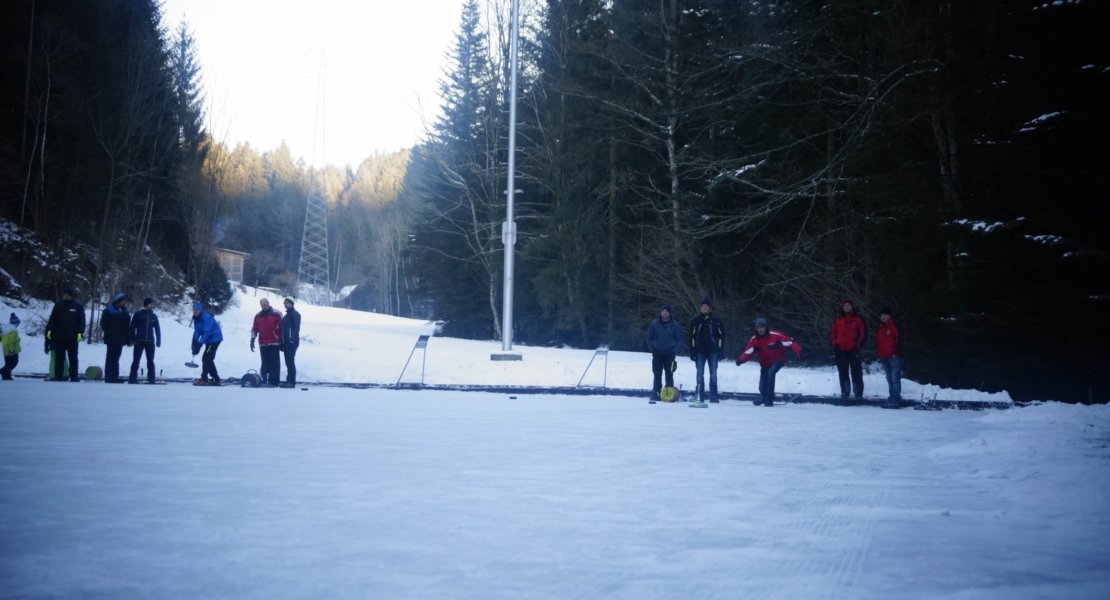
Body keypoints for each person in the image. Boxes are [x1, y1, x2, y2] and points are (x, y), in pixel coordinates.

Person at [736, 317, 803, 406]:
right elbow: (748, 351)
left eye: (762, 327)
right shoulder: (754, 339)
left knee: (771, 373)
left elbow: (790, 342)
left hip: (778, 360)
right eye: (758, 328)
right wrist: (741, 360)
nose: (760, 329)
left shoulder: (775, 335)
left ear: (766, 327)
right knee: (761, 387)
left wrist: (799, 352)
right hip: (765, 363)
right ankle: (764, 398)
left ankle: (769, 401)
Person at [689, 297, 725, 402]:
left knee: (713, 374)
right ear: (700, 307)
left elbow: (721, 336)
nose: (704, 307)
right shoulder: (695, 321)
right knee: (699, 374)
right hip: (699, 351)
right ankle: (700, 395)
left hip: (713, 351)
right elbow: (692, 337)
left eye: (706, 306)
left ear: (709, 308)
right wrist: (692, 351)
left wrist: (721, 350)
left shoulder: (716, 321)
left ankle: (714, 396)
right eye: (703, 305)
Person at [830, 297, 866, 401]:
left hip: (853, 348)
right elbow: (833, 333)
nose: (846, 307)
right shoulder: (838, 318)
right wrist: (834, 345)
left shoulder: (858, 318)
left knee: (856, 371)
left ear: (852, 307)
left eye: (848, 305)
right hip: (840, 349)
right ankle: (845, 392)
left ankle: (858, 393)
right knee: (843, 371)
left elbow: (863, 333)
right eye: (844, 306)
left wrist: (858, 345)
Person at [46, 288, 85, 382]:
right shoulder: (58, 306)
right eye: (64, 295)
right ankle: (58, 376)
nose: (65, 297)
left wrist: (80, 333)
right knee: (59, 358)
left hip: (72, 337)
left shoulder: (77, 306)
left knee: (73, 358)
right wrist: (49, 330)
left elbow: (81, 321)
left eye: (67, 295)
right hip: (59, 337)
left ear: (71, 296)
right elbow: (52, 319)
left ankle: (74, 377)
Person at [646, 303, 684, 400]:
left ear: (670, 313)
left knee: (669, 374)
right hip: (657, 353)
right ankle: (656, 393)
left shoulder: (675, 325)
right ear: (660, 313)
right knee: (657, 374)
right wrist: (652, 349)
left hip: (670, 354)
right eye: (663, 311)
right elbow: (649, 337)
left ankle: (668, 394)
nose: (665, 313)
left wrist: (675, 350)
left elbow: (680, 339)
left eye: (666, 311)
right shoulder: (654, 323)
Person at [876, 307, 906, 408]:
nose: (883, 316)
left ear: (889, 316)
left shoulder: (895, 325)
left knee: (895, 378)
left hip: (894, 357)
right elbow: (879, 342)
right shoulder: (880, 327)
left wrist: (896, 352)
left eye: (885, 314)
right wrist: (880, 353)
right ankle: (892, 396)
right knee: (889, 378)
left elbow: (901, 339)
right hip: (884, 356)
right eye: (881, 314)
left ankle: (896, 398)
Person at [250, 297, 283, 387]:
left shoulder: (277, 313)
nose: (263, 306)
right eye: (262, 305)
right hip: (263, 343)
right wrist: (252, 340)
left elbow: (282, 327)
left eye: (265, 304)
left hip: (274, 342)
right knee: (265, 362)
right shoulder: (258, 316)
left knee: (274, 363)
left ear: (268, 303)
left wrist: (281, 339)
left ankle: (274, 381)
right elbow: (254, 329)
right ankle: (264, 379)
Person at [128, 297, 162, 384]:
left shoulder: (154, 316)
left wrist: (158, 340)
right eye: (151, 304)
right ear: (146, 305)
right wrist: (133, 338)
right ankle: (132, 379)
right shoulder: (138, 314)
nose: (153, 306)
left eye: (153, 304)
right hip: (139, 341)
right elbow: (132, 327)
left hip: (150, 342)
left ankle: (151, 379)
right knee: (136, 360)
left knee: (150, 361)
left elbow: (157, 329)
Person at [100, 292, 131, 383]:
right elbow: (103, 324)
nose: (125, 302)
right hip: (111, 338)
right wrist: (110, 333)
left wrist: (128, 338)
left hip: (120, 339)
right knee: (110, 357)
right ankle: (108, 376)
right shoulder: (109, 310)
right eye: (123, 300)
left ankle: (115, 376)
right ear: (118, 301)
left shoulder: (125, 311)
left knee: (116, 358)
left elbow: (127, 326)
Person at [191, 301, 223, 386]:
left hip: (214, 340)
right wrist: (195, 343)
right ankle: (216, 378)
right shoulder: (196, 318)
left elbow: (207, 332)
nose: (195, 311)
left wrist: (200, 343)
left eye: (197, 309)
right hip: (208, 341)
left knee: (206, 358)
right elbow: (197, 331)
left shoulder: (207, 317)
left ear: (201, 310)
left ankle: (204, 379)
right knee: (208, 358)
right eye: (194, 309)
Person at [280, 295, 301, 388]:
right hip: (286, 342)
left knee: (290, 362)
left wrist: (292, 340)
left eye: (287, 303)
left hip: (292, 342)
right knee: (288, 362)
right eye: (284, 303)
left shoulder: (295, 314)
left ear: (292, 304)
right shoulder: (287, 315)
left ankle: (291, 382)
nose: (285, 304)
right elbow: (283, 330)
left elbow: (296, 328)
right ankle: (288, 380)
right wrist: (282, 342)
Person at [1, 313, 21, 380]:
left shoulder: (6, 329)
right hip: (12, 350)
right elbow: (11, 341)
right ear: (15, 323)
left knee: (8, 363)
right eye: (18, 323)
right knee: (14, 363)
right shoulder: (13, 330)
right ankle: (2, 371)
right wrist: (12, 350)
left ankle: (6, 376)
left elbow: (4, 339)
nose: (18, 325)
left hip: (5, 350)